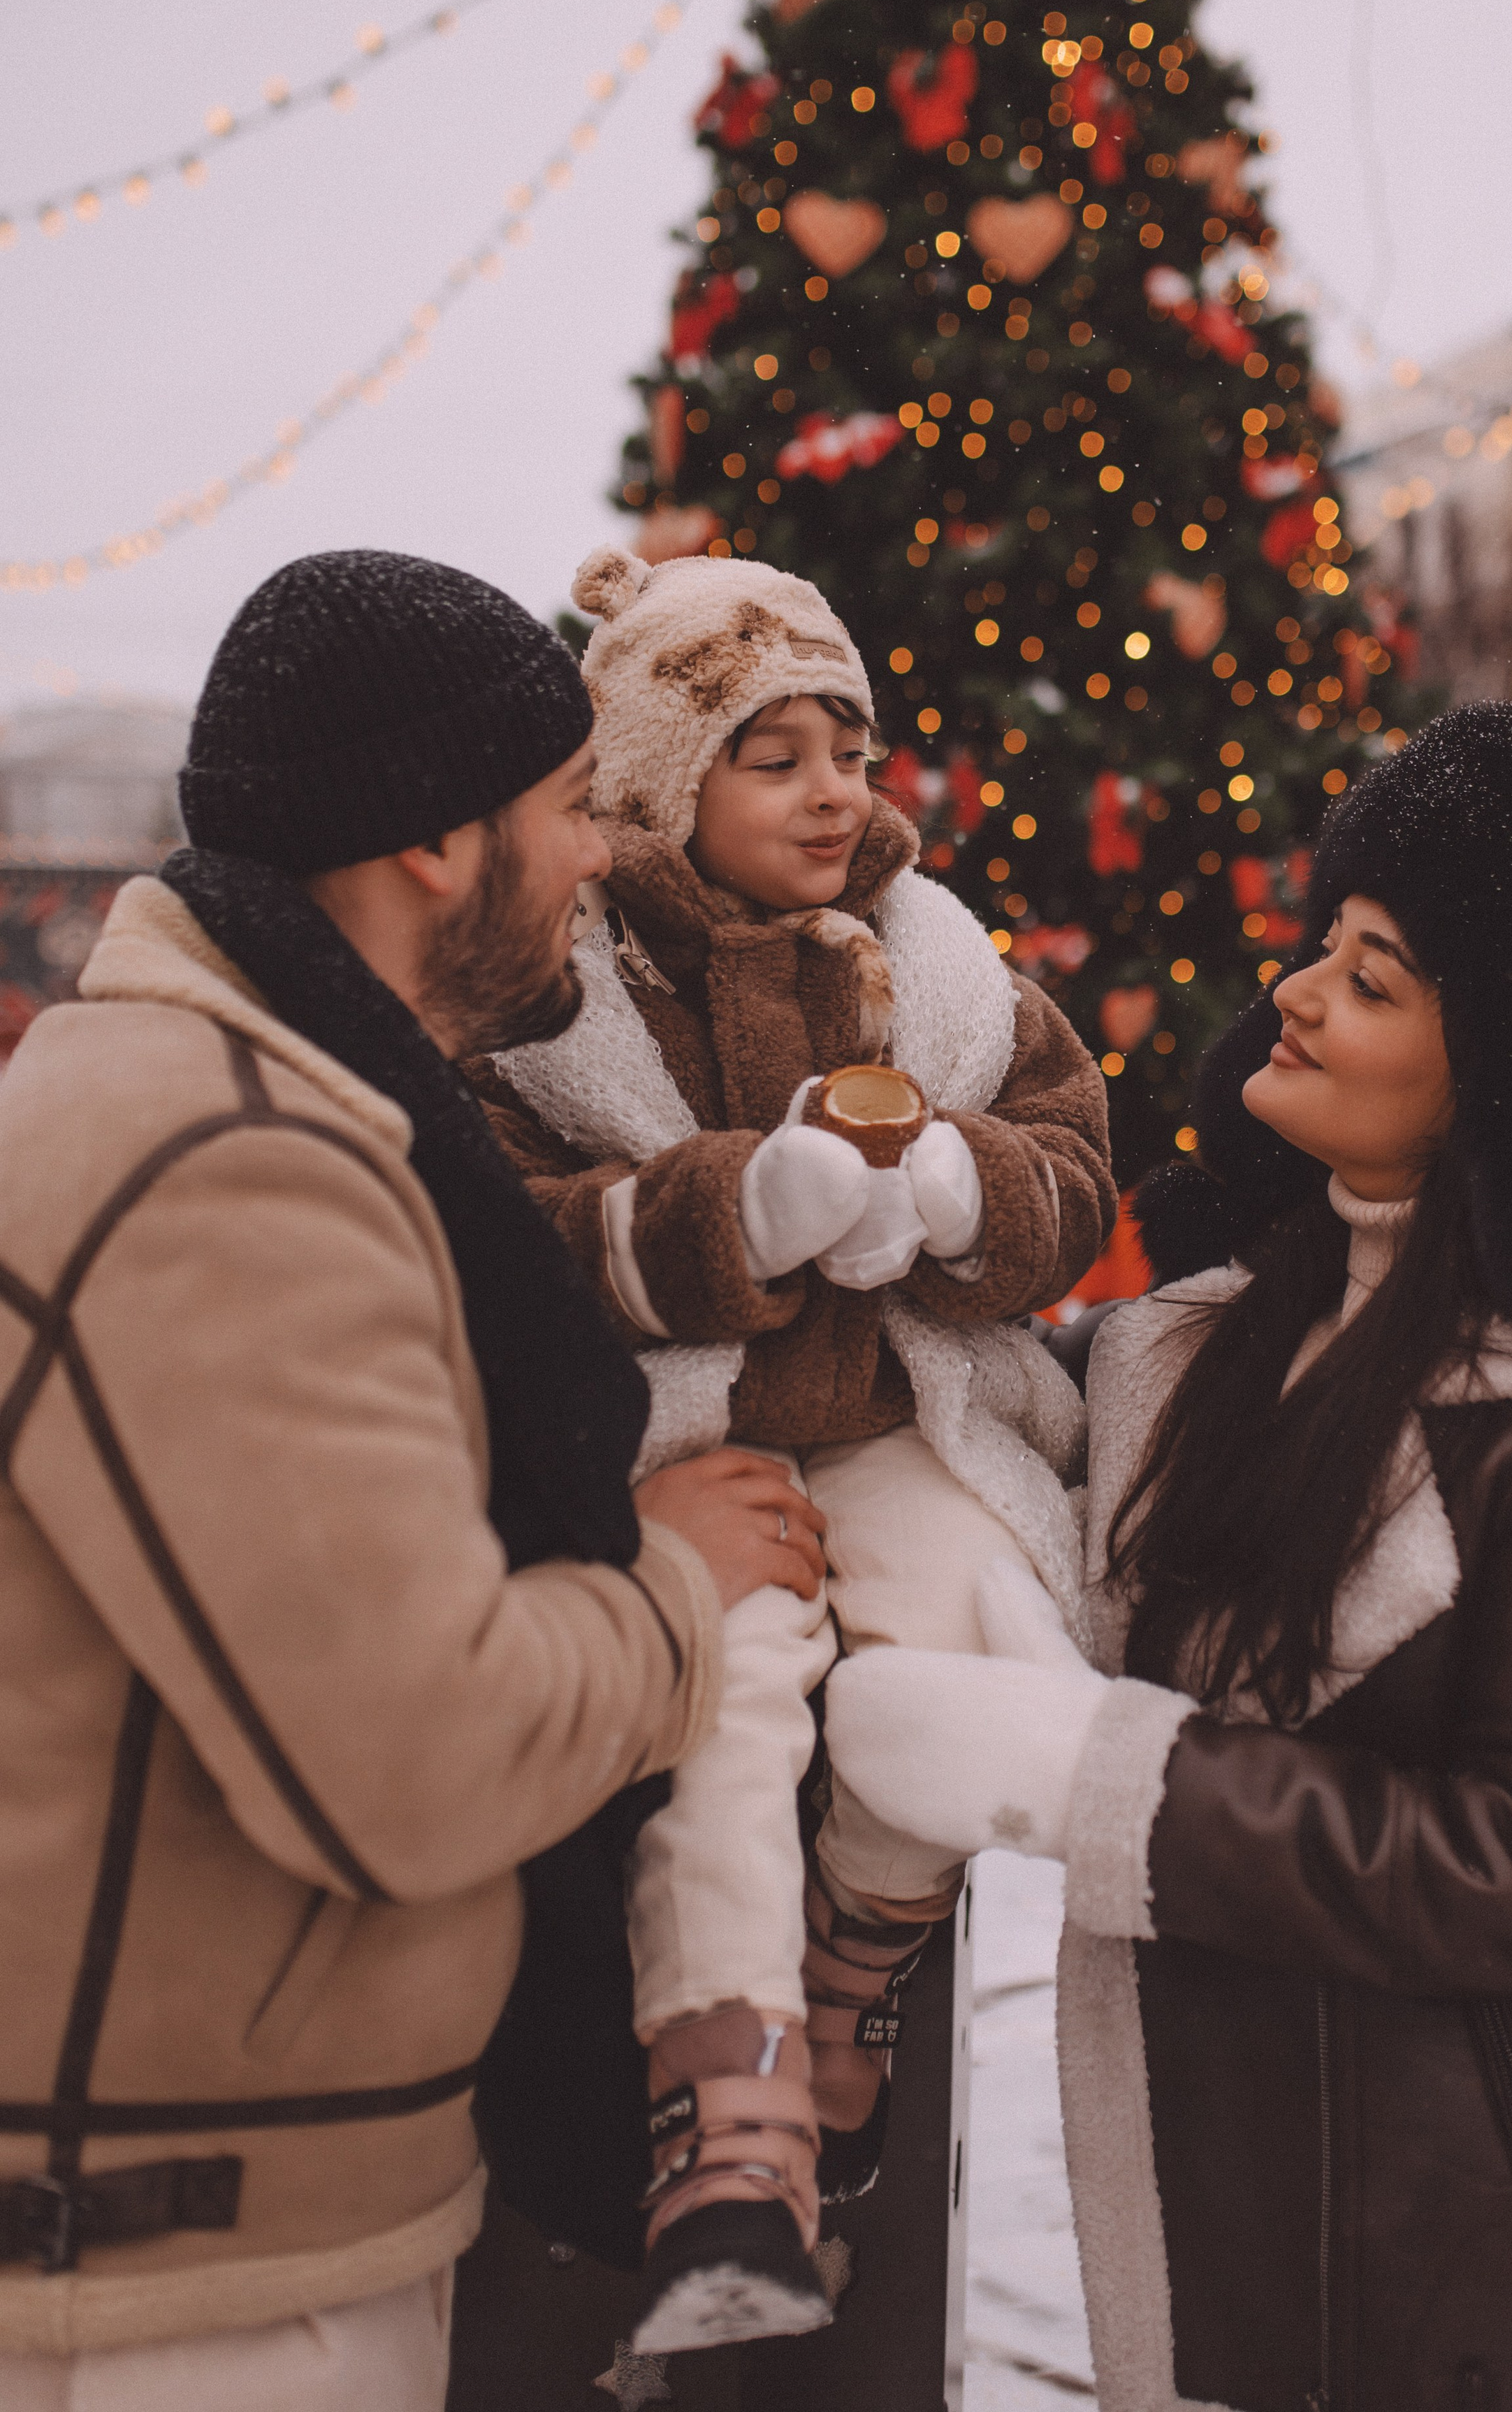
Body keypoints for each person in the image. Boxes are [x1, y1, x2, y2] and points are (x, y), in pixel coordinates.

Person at [826, 703, 1512, 2412]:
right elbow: (970, 1455)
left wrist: (1095, 1778)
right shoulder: (1190, 1351)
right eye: (1319, 946)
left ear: (1495, 1064)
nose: (1294, 990)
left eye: (1373, 976)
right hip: (1243, 2229)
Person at [0, 551, 822, 2412]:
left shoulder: (252, 1099)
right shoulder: (227, 1160)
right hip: (179, 2282)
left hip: (222, 2211)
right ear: (440, 845)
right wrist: (678, 1591)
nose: (603, 855)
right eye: (566, 811)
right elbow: (411, 1751)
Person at [472, 544, 1115, 2348]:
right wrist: (727, 1212)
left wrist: (955, 1184)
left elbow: (1069, 1161)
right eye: (779, 753)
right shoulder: (571, 988)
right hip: (704, 1438)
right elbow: (520, 1226)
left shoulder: (934, 956)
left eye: (853, 743)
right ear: (668, 783)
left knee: (962, 1628)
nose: (841, 787)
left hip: (904, 1410)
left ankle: (853, 1974)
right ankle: (728, 2096)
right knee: (730, 1708)